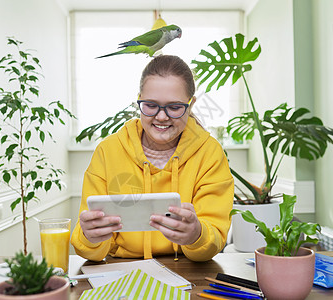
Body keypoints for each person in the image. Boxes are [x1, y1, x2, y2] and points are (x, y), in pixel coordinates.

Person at [71, 55, 234, 262]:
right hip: (121, 271)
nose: (162, 116)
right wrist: (89, 237)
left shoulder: (209, 153)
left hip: (189, 273)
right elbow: (89, 250)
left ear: (190, 104)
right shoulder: (107, 150)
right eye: (150, 105)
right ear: (139, 98)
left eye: (174, 107)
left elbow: (213, 242)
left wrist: (197, 235)